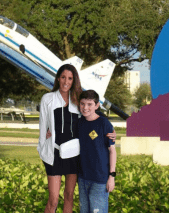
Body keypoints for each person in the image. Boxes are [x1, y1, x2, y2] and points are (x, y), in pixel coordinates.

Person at [38, 64, 116, 213]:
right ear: (58, 78)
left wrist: (111, 131)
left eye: (70, 78)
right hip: (53, 154)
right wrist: (43, 146)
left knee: (69, 196)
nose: (66, 81)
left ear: (74, 81)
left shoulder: (77, 99)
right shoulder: (47, 99)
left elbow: (94, 114)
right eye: (63, 77)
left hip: (73, 155)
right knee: (53, 199)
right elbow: (42, 128)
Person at [77, 90, 117, 213]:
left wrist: (112, 176)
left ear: (97, 105)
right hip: (83, 178)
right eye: (83, 104)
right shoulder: (78, 123)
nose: (85, 108)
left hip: (100, 179)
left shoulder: (104, 124)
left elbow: (112, 152)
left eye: (89, 104)